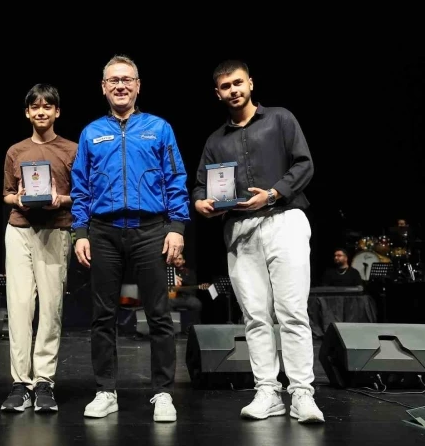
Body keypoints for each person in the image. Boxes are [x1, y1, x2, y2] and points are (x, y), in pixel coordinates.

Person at [192, 60, 324, 423]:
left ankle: (302, 394)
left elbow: (304, 165)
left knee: (292, 312)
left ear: (250, 82)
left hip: (285, 220)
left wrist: (272, 194)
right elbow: (201, 185)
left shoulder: (280, 119)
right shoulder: (215, 141)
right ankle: (267, 391)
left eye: (238, 83)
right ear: (217, 93)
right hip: (239, 229)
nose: (233, 90)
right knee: (254, 316)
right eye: (225, 86)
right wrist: (201, 202)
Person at [71, 55, 190, 422]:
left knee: (158, 314)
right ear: (103, 87)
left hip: (151, 229)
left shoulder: (159, 128)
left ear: (138, 85)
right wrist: (80, 231)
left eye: (127, 79)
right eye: (113, 80)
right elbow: (80, 186)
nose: (120, 85)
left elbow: (175, 177)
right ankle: (106, 390)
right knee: (103, 316)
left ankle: (163, 393)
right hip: (104, 232)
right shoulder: (91, 132)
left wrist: (177, 226)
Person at [1, 83, 77, 413]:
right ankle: (20, 383)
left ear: (57, 111)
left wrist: (61, 199)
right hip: (19, 229)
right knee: (19, 307)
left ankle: (44, 382)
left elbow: (84, 194)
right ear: (28, 113)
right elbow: (5, 193)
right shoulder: (15, 151)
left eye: (48, 106)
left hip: (56, 229)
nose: (41, 111)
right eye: (35, 106)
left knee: (50, 309)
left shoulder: (72, 150)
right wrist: (16, 198)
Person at [168, 253, 203, 329]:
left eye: (180, 259)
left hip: (188, 297)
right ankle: (172, 326)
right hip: (175, 298)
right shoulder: (170, 272)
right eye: (175, 259)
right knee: (166, 303)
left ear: (183, 261)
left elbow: (193, 284)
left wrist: (182, 280)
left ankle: (193, 327)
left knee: (197, 304)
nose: (177, 261)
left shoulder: (190, 272)